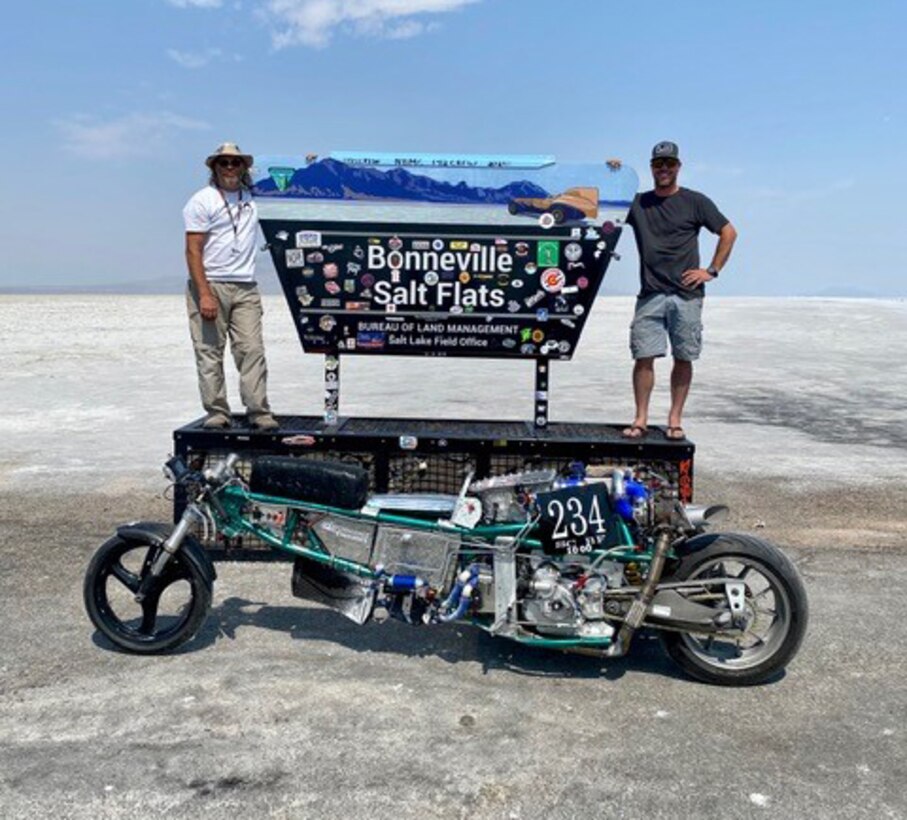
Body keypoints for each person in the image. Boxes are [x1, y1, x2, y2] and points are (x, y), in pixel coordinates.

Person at [617, 141, 737, 440]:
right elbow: (604, 202)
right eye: (659, 164)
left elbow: (728, 231)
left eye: (669, 164)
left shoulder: (695, 201)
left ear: (678, 167)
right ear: (651, 168)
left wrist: (711, 270)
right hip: (651, 293)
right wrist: (613, 174)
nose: (664, 169)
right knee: (643, 356)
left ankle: (675, 418)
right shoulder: (639, 204)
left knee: (683, 356)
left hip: (686, 295)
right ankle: (641, 418)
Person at [182, 142, 279, 430]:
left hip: (245, 286)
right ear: (214, 167)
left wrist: (307, 163)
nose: (229, 168)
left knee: (251, 350)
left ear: (244, 167)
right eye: (223, 163)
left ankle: (259, 411)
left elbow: (291, 186)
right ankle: (217, 411)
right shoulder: (202, 201)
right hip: (211, 284)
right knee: (210, 351)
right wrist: (204, 294)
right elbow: (193, 250)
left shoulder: (254, 198)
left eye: (235, 163)